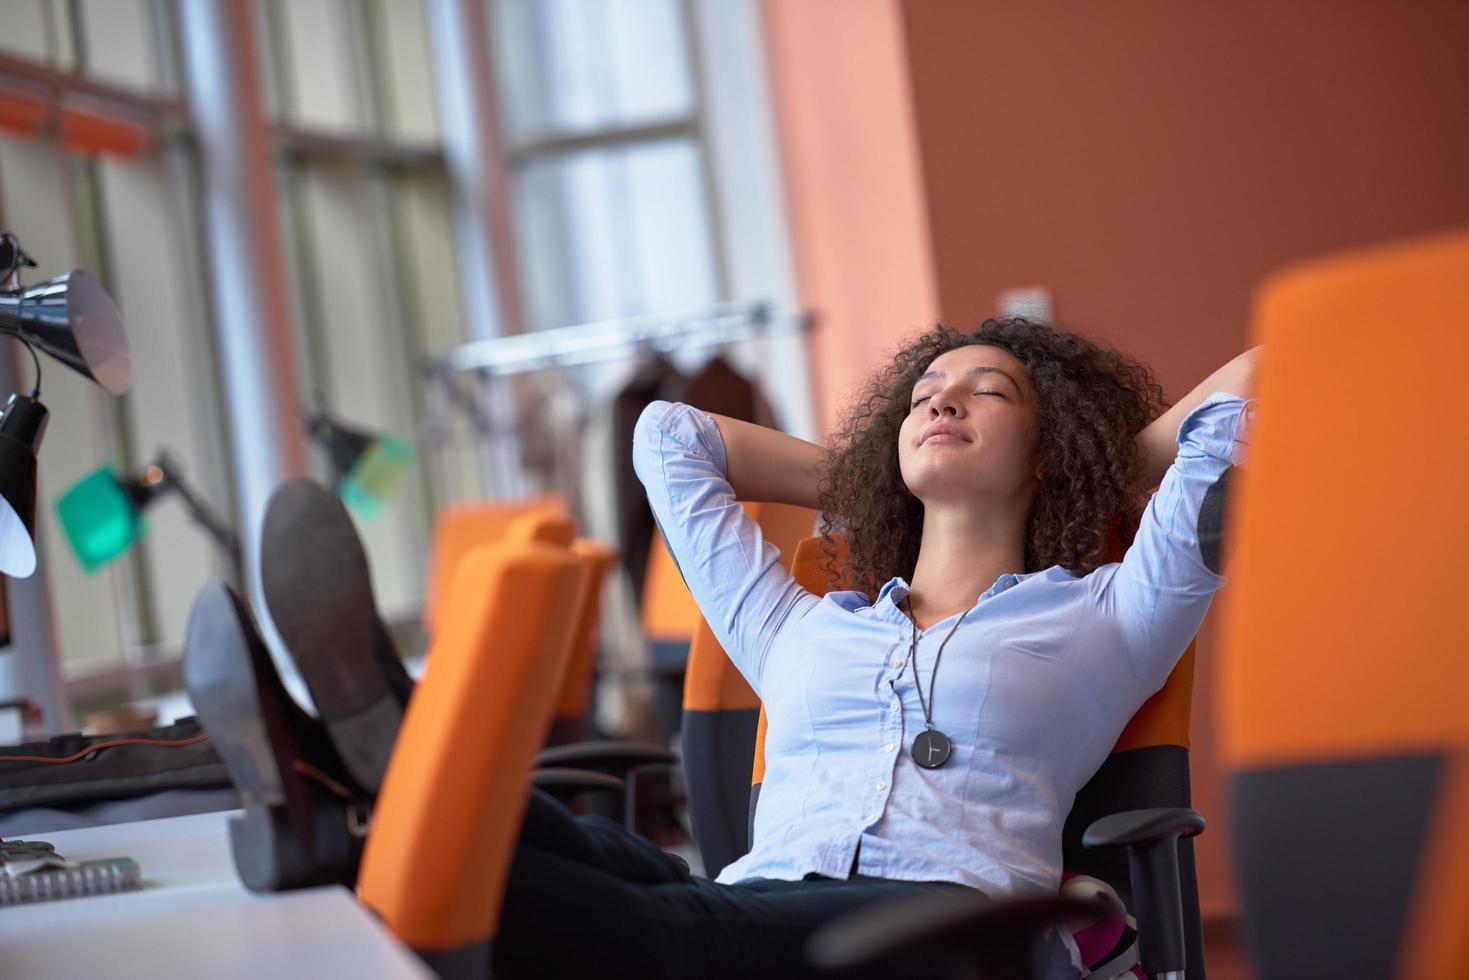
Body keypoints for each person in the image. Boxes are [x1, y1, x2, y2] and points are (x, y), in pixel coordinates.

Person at [493, 317, 1258, 979]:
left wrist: (1089, 476)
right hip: (759, 896)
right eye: (924, 392)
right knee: (499, 833)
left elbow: (1261, 377)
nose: (940, 401)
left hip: (946, 926)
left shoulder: (1108, 617)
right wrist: (873, 481)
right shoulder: (798, 627)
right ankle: (380, 768)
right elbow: (666, 436)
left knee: (625, 928)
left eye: (988, 391)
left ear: (1047, 448)